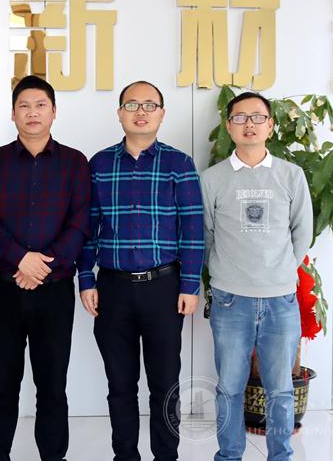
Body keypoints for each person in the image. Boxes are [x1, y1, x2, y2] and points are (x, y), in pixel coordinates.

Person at [76, 80, 204, 461]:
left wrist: (190, 284)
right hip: (112, 289)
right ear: (119, 113)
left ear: (162, 114)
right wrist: (86, 278)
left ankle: (166, 456)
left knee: (165, 384)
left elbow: (193, 227)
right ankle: (125, 456)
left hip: (163, 288)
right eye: (132, 105)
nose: (141, 112)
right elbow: (88, 227)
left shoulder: (179, 164)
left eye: (150, 105)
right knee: (120, 385)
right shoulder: (99, 165)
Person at [0, 75, 90, 461]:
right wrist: (20, 259)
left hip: (54, 293)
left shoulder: (74, 162)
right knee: (2, 387)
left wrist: (41, 267)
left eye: (40, 105)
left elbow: (80, 221)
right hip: (2, 291)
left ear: (54, 111)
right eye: (24, 106)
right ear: (13, 114)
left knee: (52, 387)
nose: (32, 112)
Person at [200, 91, 312, 461]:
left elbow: (302, 231)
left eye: (258, 117)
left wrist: (281, 272)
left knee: (280, 389)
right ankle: (229, 455)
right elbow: (206, 235)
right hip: (230, 300)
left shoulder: (291, 175)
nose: (249, 124)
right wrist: (227, 273)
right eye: (240, 117)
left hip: (281, 299)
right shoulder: (212, 179)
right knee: (229, 388)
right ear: (229, 126)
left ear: (271, 126)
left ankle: (281, 456)